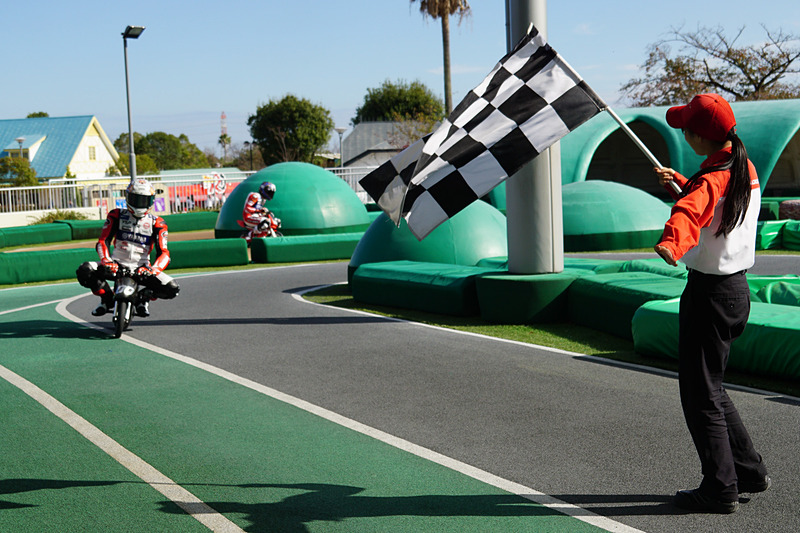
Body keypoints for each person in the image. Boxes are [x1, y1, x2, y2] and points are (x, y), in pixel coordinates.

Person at [653, 93, 770, 514]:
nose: (684, 134)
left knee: (700, 395)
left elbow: (691, 212)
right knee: (713, 388)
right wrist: (682, 181)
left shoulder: (710, 180)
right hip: (736, 291)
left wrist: (671, 243)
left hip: (710, 294)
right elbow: (712, 201)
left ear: (701, 137)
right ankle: (748, 471)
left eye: (687, 129)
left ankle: (720, 488)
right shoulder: (741, 165)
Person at [77, 178, 180, 318]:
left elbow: (164, 253)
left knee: (172, 288)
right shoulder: (116, 215)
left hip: (142, 269)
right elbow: (103, 241)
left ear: (151, 201)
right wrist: (107, 261)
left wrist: (153, 269)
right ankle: (107, 299)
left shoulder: (158, 223)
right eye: (136, 199)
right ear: (128, 197)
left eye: (144, 200)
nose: (139, 204)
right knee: (84, 270)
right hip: (116, 265)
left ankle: (143, 298)